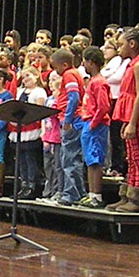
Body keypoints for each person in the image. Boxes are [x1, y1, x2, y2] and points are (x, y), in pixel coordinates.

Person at [107, 27, 139, 213]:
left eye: (121, 45)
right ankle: (126, 195)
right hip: (130, 116)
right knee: (131, 157)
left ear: (132, 44)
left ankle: (137, 199)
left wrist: (133, 122)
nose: (119, 49)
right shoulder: (131, 64)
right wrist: (126, 122)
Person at [51, 48, 86, 206]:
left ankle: (71, 194)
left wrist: (67, 118)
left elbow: (74, 96)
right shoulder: (74, 73)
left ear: (64, 64)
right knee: (71, 158)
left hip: (71, 121)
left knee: (69, 159)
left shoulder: (69, 74)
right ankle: (78, 192)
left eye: (56, 67)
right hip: (73, 119)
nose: (56, 71)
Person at [77, 47, 111, 208]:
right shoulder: (92, 81)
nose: (83, 63)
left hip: (96, 125)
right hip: (88, 123)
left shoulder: (99, 82)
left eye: (85, 61)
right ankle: (91, 194)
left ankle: (96, 196)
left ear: (91, 62)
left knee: (95, 160)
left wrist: (93, 123)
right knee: (89, 161)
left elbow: (104, 106)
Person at [9, 67, 47, 200]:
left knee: (30, 159)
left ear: (36, 76)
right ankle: (23, 183)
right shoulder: (20, 92)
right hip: (19, 129)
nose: (25, 79)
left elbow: (39, 110)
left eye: (28, 76)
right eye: (23, 77)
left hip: (31, 127)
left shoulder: (39, 92)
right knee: (21, 159)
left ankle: (32, 185)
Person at [101, 36, 130, 178]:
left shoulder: (127, 61)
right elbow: (102, 74)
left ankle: (119, 166)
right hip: (109, 99)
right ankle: (111, 165)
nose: (104, 50)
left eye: (109, 47)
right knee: (111, 136)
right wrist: (107, 75)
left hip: (118, 99)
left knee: (117, 135)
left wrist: (107, 76)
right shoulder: (114, 61)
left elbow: (117, 77)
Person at [38, 72, 62, 202]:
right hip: (47, 135)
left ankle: (56, 190)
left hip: (56, 136)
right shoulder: (48, 99)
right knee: (48, 164)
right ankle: (49, 189)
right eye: (50, 80)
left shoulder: (60, 101)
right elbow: (44, 117)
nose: (52, 83)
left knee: (57, 164)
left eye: (55, 79)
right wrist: (43, 133)